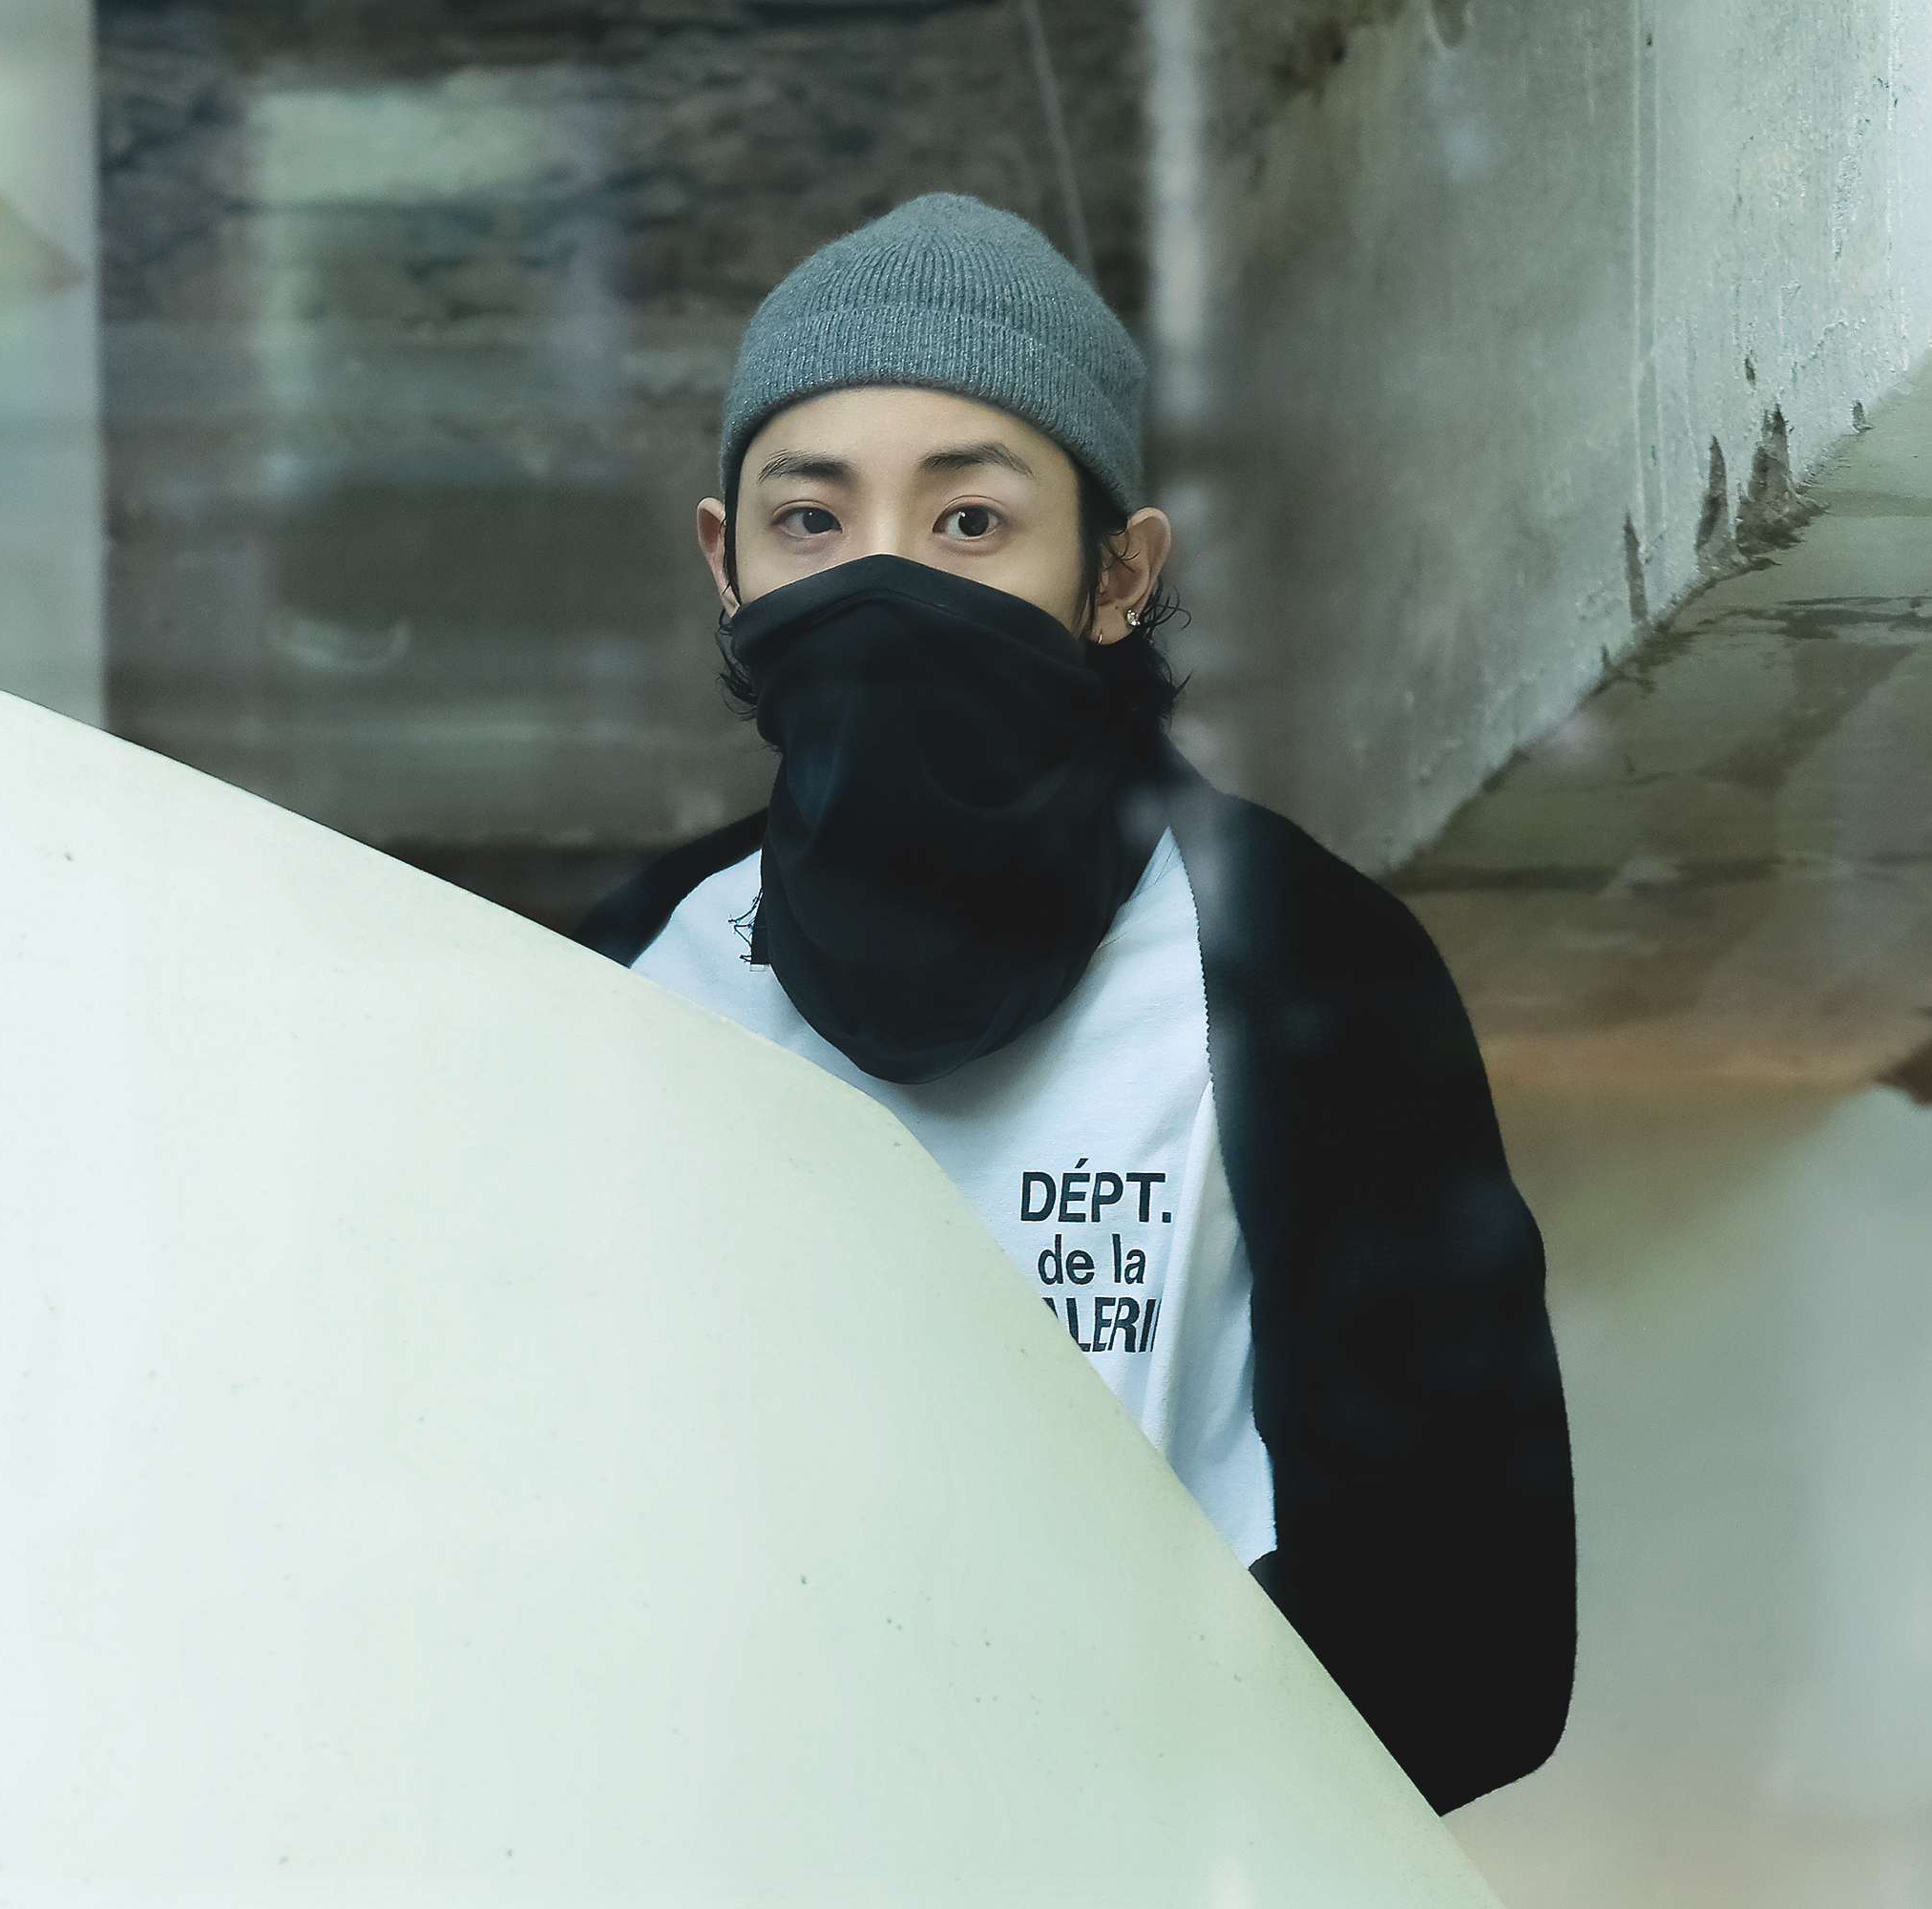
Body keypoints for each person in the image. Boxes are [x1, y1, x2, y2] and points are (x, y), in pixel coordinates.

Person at [577, 193, 1572, 1812]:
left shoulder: (1301, 969)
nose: (880, 582)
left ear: (1118, 573)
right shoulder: (628, 976)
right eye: (810, 521)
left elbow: (1474, 1644)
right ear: (726, 565)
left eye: (970, 521)